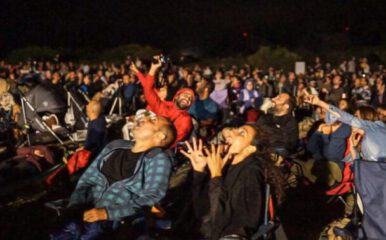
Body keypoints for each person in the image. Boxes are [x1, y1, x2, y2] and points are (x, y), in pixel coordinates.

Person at [51, 111, 177, 239]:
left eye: (153, 120)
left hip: (114, 221)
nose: (144, 119)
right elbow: (87, 179)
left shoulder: (157, 159)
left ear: (160, 136)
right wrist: (75, 204)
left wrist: (107, 213)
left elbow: (153, 197)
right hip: (82, 208)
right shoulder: (115, 145)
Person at [181, 125, 285, 240]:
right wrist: (199, 172)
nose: (230, 134)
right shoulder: (225, 165)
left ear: (250, 149)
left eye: (241, 133)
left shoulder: (250, 172)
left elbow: (225, 223)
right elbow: (202, 210)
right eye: (234, 130)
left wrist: (216, 176)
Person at [304, 92, 386, 161]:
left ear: (365, 118)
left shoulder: (376, 126)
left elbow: (347, 118)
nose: (353, 120)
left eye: (356, 117)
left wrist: (320, 103)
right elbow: (357, 165)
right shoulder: (361, 137)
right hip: (375, 175)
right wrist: (354, 149)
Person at [130, 56, 195, 145]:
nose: (188, 98)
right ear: (176, 97)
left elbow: (174, 141)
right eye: (185, 95)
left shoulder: (186, 119)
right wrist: (153, 68)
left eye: (190, 99)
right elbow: (148, 88)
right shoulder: (163, 106)